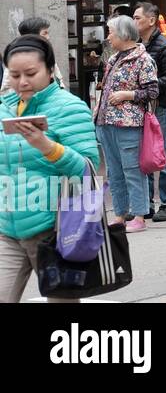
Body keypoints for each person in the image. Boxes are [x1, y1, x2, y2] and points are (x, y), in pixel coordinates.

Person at [0, 35, 100, 303]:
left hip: (56, 230)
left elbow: (88, 170)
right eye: (14, 75)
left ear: (50, 69)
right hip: (7, 229)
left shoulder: (70, 108)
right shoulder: (5, 109)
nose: (22, 82)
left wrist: (46, 146)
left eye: (30, 73)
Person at [95, 15, 160, 233]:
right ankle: (120, 215)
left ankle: (139, 216)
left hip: (129, 124)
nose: (108, 37)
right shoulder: (113, 58)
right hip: (106, 122)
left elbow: (153, 91)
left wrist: (127, 94)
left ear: (123, 34)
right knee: (114, 172)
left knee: (133, 171)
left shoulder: (144, 59)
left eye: (111, 32)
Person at [134, 2, 166, 222]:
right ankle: (146, 203)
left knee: (163, 154)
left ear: (151, 20)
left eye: (137, 18)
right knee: (143, 155)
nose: (134, 22)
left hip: (160, 106)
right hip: (139, 108)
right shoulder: (135, 45)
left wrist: (147, 88)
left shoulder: (165, 46)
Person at [0, 17, 65, 96]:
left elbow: (59, 80)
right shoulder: (16, 59)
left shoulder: (47, 54)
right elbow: (6, 91)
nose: (48, 37)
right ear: (33, 36)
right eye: (45, 33)